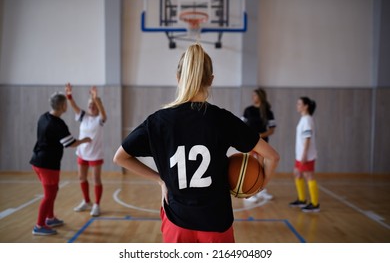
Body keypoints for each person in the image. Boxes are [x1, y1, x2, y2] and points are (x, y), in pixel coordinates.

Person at [113, 44, 280, 243]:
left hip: (176, 222)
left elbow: (120, 157)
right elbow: (272, 156)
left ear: (178, 78)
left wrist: (160, 180)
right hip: (216, 223)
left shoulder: (158, 121)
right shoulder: (223, 119)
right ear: (210, 80)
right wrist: (257, 186)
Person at [30, 92, 91, 236]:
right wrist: (84, 140)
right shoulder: (57, 124)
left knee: (53, 191)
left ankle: (50, 218)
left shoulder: (43, 117)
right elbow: (70, 143)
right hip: (47, 164)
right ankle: (39, 225)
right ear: (63, 105)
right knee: (49, 195)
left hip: (37, 161)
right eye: (66, 104)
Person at [65, 83, 107, 217]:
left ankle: (97, 204)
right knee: (81, 177)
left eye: (93, 105)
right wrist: (69, 95)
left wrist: (96, 98)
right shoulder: (83, 116)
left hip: (95, 154)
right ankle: (87, 201)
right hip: (82, 153)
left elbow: (102, 112)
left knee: (96, 179)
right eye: (89, 105)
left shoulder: (100, 119)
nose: (91, 106)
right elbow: (74, 106)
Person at [242, 88, 276, 202]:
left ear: (260, 97)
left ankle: (260, 190)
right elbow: (241, 125)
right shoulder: (248, 110)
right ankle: (248, 191)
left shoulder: (268, 112)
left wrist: (261, 135)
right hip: (250, 142)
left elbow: (272, 129)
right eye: (252, 95)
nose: (253, 97)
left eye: (255, 95)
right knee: (250, 166)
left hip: (262, 143)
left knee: (261, 167)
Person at [289, 96, 320, 212]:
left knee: (309, 176)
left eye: (299, 104)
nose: (297, 106)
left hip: (306, 155)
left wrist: (304, 155)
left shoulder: (307, 120)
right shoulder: (303, 119)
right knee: (297, 174)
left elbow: (307, 138)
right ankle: (302, 200)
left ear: (306, 106)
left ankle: (315, 204)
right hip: (300, 154)